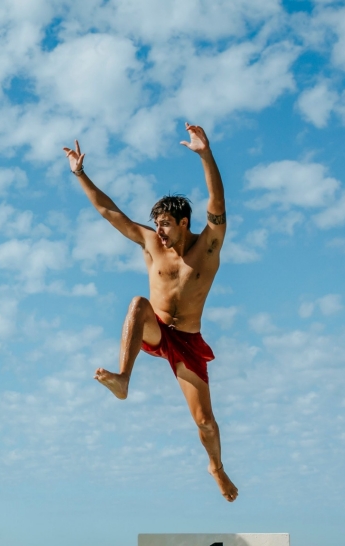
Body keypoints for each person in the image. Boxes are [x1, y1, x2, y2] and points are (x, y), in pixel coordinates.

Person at [63, 123, 238, 502]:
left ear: (184, 223)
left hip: (187, 341)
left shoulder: (207, 248)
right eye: (155, 224)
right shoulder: (150, 243)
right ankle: (124, 378)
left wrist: (205, 155)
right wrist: (80, 174)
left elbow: (218, 205)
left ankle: (217, 469)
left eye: (164, 225)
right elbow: (111, 213)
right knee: (137, 304)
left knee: (205, 423)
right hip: (154, 329)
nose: (157, 232)